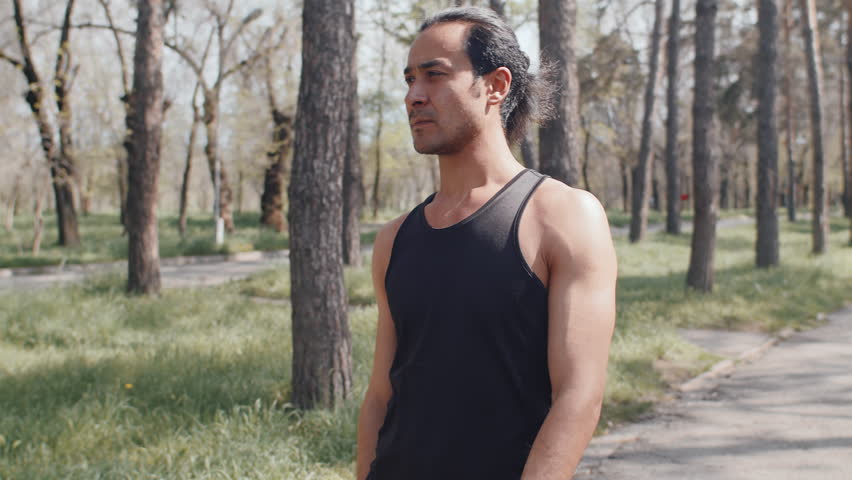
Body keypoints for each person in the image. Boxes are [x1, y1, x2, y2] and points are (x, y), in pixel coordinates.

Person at [356, 7, 617, 480]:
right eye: (409, 79)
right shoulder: (393, 240)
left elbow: (579, 396)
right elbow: (380, 396)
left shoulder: (563, 216)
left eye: (434, 76)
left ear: (496, 86)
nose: (414, 96)